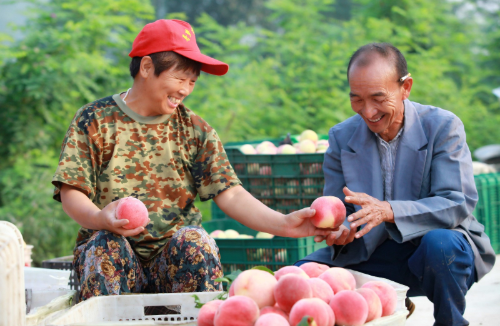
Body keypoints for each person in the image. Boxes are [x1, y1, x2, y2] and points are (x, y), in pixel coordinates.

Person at [52, 19, 333, 301]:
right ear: (147, 67)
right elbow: (71, 191)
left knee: (198, 242)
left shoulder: (195, 129)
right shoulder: (95, 119)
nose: (185, 89)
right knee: (105, 243)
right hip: (113, 260)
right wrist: (100, 218)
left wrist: (285, 224)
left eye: (192, 81)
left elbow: (231, 195)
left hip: (173, 264)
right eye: (179, 78)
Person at [297, 43, 496, 326]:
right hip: (372, 253)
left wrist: (388, 210)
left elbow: (457, 202)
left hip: (437, 255)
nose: (368, 111)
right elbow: (340, 210)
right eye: (356, 99)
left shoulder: (443, 127)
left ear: (406, 87)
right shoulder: (341, 137)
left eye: (378, 98)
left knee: (440, 244)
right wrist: (339, 231)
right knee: (301, 275)